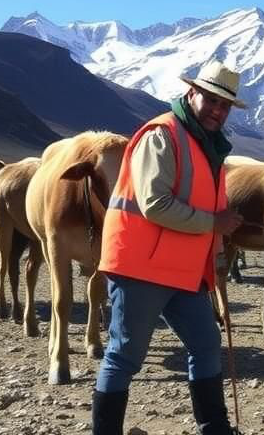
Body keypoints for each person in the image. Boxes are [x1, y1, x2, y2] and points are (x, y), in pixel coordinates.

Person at [92, 61, 246, 435]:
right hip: (141, 267)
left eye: (224, 105)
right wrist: (215, 224)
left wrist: (218, 253)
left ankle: (214, 427)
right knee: (124, 356)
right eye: (211, 100)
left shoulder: (208, 147)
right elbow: (154, 204)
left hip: (184, 269)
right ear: (191, 93)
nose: (217, 110)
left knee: (206, 345)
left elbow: (210, 208)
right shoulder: (162, 135)